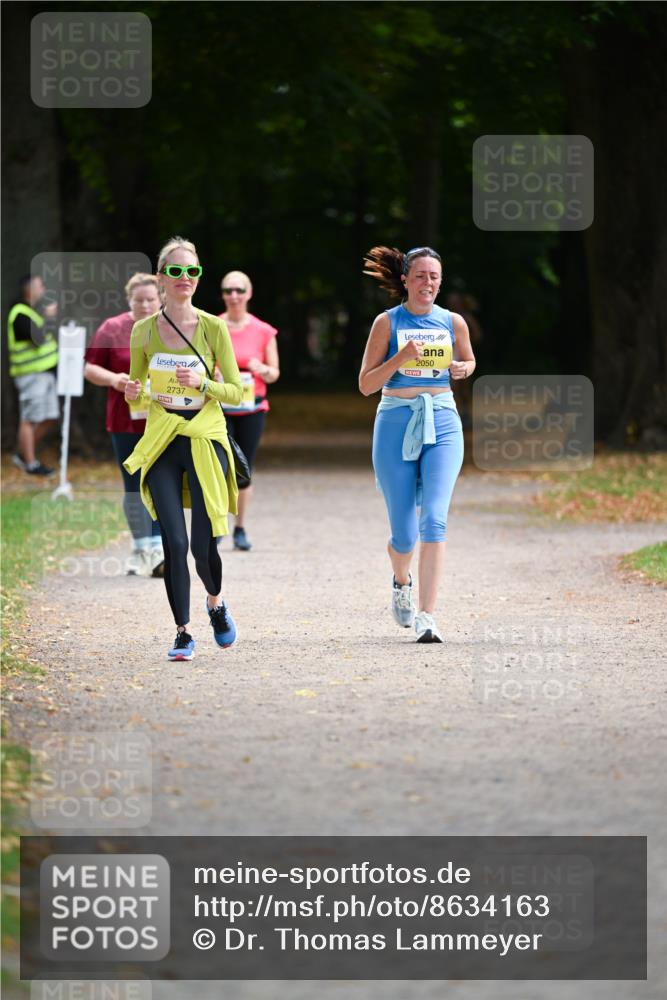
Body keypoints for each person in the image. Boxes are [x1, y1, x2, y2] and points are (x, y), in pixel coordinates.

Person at [123, 237, 243, 661]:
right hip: (162, 440)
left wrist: (204, 385)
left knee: (202, 547)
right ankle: (182, 632)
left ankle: (216, 602)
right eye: (175, 271)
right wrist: (133, 391)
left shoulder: (214, 327)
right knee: (173, 542)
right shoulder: (142, 331)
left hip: (204, 440)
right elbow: (137, 397)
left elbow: (236, 391)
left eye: (192, 271)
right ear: (161, 278)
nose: (185, 279)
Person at [358, 246, 476, 643]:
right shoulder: (387, 323)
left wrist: (462, 368)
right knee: (405, 535)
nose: (429, 283)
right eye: (421, 276)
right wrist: (401, 358)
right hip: (395, 420)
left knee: (435, 521)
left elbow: (469, 361)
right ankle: (400, 579)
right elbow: (366, 385)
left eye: (435, 277)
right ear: (405, 280)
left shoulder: (452, 321)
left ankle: (428, 616)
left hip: (442, 420)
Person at [84, 273, 164, 577]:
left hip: (162, 418)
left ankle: (157, 547)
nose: (145, 305)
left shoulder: (169, 328)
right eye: (139, 300)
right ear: (129, 300)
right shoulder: (113, 328)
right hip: (123, 418)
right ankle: (141, 547)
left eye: (150, 300)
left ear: (160, 299)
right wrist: (113, 380)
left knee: (159, 481)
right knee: (133, 484)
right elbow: (89, 367)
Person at [218, 270, 280, 551]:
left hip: (252, 409)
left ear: (249, 293)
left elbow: (274, 373)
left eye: (239, 290)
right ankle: (217, 527)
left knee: (244, 468)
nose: (234, 296)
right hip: (218, 407)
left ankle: (240, 528)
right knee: (218, 468)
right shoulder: (211, 326)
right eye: (228, 290)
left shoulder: (263, 331)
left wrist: (262, 369)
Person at [8, 274, 59, 476]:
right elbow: (36, 339)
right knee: (29, 418)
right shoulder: (20, 313)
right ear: (29, 289)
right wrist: (48, 318)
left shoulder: (32, 313)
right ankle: (30, 463)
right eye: (40, 286)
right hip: (30, 376)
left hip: (44, 375)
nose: (43, 289)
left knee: (50, 417)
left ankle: (23, 455)